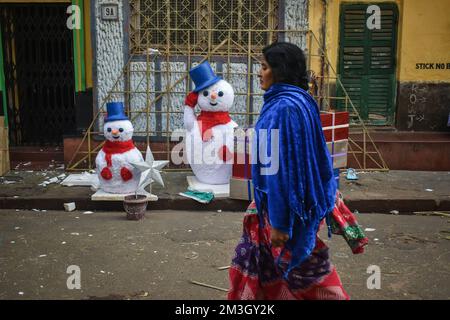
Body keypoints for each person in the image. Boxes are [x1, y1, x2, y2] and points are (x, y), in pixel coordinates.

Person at [228, 42, 351, 300]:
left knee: (308, 274)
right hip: (285, 204)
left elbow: (281, 169)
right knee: (268, 268)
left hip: (284, 209)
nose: (258, 73)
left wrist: (280, 223)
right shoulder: (299, 99)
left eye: (263, 67)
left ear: (280, 70)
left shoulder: (284, 107)